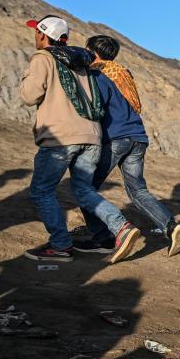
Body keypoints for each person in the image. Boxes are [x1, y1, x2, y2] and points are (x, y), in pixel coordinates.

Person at [18, 15, 141, 264]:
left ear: (43, 35)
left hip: (61, 136)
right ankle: (121, 228)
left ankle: (61, 245)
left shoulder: (44, 58)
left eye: (36, 32)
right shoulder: (81, 62)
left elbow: (29, 96)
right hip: (91, 137)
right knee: (83, 188)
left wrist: (26, 76)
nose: (35, 36)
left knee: (41, 191)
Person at [73, 35, 180, 257]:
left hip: (116, 138)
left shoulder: (98, 75)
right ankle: (171, 227)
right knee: (138, 190)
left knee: (84, 187)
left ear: (91, 52)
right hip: (138, 137)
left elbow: (97, 110)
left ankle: (106, 236)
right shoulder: (122, 74)